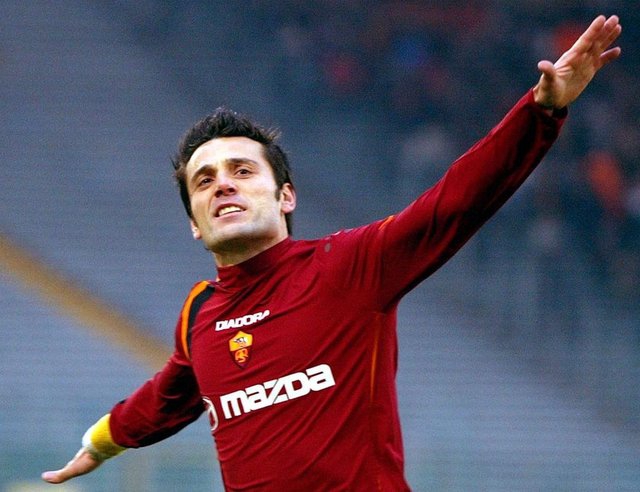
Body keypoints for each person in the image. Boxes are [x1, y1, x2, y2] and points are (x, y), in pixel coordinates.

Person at [42, 14, 621, 491]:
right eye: (204, 180)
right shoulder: (200, 315)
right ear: (194, 223)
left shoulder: (349, 266)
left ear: (286, 195)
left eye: (242, 171)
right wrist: (99, 443)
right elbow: (166, 397)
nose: (222, 186)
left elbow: (455, 203)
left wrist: (541, 111)